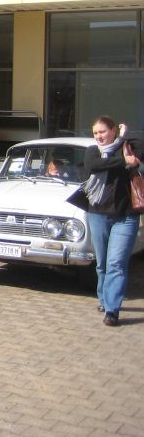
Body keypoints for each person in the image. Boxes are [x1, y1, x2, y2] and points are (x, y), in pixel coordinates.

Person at [82, 115, 140, 327]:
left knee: (116, 263)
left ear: (114, 130)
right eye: (96, 133)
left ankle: (112, 310)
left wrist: (127, 136)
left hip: (126, 217)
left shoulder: (127, 147)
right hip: (98, 214)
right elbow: (93, 166)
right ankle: (104, 298)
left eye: (103, 132)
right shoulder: (93, 151)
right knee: (103, 263)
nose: (99, 136)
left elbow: (141, 144)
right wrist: (123, 162)